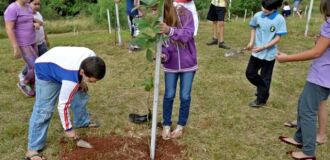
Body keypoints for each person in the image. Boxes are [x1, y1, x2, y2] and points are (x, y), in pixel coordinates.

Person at [24, 47, 106, 160]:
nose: (95, 82)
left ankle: (82, 121)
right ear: (82, 72)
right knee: (44, 110)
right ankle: (32, 150)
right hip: (45, 69)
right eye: (92, 80)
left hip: (62, 65)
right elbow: (63, 106)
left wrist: (82, 81)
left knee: (81, 92)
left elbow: (78, 72)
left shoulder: (92, 57)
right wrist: (68, 129)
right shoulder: (71, 79)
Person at [277, 0, 330, 158]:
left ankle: (308, 152)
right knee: (303, 103)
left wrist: (287, 58)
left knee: (307, 111)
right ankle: (299, 138)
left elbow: (316, 52)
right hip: (324, 76)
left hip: (320, 77)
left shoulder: (329, 25)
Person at [159, 0, 197, 140]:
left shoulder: (186, 14)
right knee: (169, 95)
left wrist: (170, 30)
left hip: (188, 65)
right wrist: (163, 55)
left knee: (185, 96)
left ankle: (181, 126)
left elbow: (187, 35)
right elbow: (164, 46)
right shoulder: (159, 20)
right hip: (171, 66)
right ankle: (166, 125)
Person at [245, 0, 287, 108]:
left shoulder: (280, 19)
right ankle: (263, 89)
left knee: (266, 77)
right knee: (250, 73)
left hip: (269, 55)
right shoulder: (258, 15)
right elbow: (253, 28)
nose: (264, 10)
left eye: (267, 9)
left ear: (275, 8)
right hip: (256, 52)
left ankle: (261, 100)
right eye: (262, 7)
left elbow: (278, 37)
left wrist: (263, 47)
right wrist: (251, 42)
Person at [4, 0, 37, 97]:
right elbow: (9, 28)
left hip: (32, 41)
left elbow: (31, 20)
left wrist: (36, 23)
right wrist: (15, 46)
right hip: (23, 43)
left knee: (36, 65)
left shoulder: (28, 6)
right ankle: (24, 82)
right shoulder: (12, 8)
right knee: (36, 66)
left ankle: (32, 85)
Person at [19, 0, 49, 84]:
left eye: (39, 4)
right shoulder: (27, 16)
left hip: (41, 42)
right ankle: (23, 74)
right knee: (33, 62)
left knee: (45, 60)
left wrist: (46, 39)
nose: (37, 6)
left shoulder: (39, 14)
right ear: (28, 4)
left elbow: (43, 27)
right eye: (34, 4)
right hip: (32, 44)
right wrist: (33, 24)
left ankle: (41, 77)